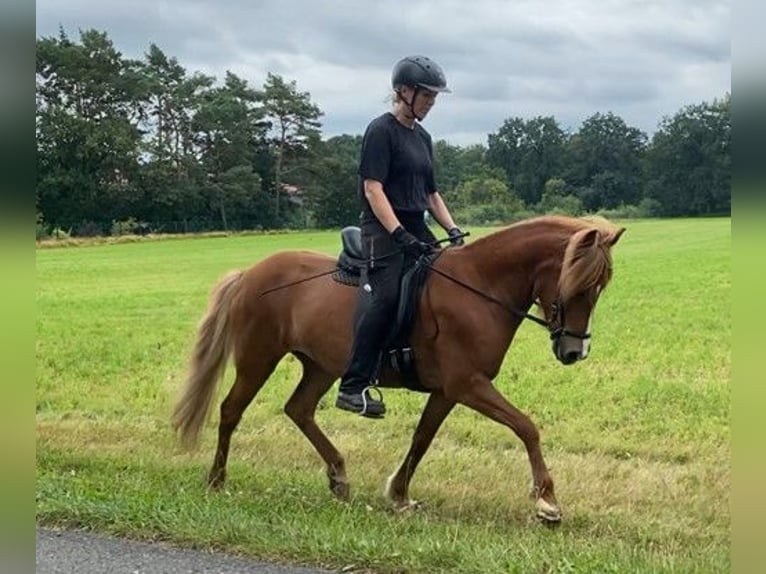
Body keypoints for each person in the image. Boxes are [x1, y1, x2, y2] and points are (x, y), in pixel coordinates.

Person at [335, 55, 465, 418]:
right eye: (426, 96)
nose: (431, 103)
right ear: (404, 92)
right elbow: (373, 189)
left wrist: (452, 230)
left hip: (415, 225)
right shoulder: (380, 131)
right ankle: (353, 385)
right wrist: (397, 232)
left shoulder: (423, 137)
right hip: (382, 228)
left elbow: (431, 194)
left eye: (434, 98)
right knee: (387, 295)